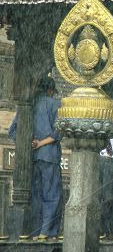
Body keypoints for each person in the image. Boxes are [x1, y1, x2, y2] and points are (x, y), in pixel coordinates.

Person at [30, 75, 63, 241]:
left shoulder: (30, 105)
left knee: (37, 195)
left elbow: (14, 130)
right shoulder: (55, 104)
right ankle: (47, 232)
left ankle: (36, 233)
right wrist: (42, 143)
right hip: (50, 156)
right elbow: (58, 133)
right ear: (50, 90)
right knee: (53, 194)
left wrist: (33, 143)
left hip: (34, 158)